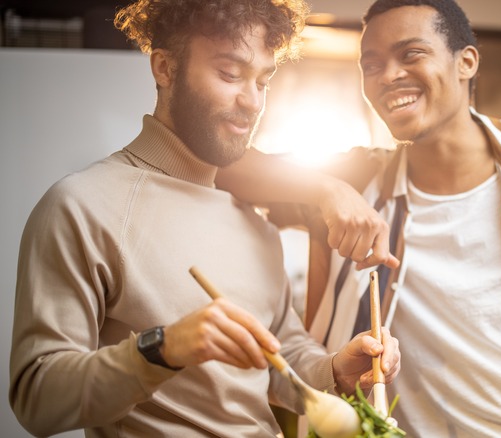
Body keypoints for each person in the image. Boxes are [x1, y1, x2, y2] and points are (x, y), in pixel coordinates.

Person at [216, 0, 501, 437]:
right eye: (371, 65)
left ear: (466, 62)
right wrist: (325, 189)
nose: (388, 76)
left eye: (411, 54)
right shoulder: (356, 180)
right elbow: (224, 165)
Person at [8, 0, 401, 437]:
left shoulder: (255, 222)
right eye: (230, 74)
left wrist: (335, 370)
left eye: (263, 81)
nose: (252, 101)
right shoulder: (82, 205)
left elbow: (281, 354)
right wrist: (163, 350)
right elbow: (36, 399)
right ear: (165, 68)